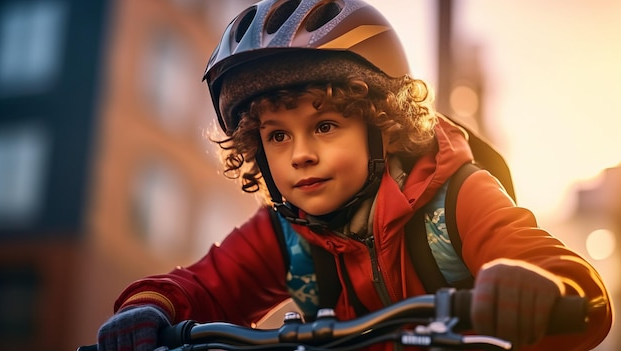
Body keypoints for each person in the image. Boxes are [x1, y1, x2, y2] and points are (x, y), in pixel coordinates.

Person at [96, 0, 613, 350]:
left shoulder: (458, 199)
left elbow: (577, 291)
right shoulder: (285, 232)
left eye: (324, 125)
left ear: (382, 125)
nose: (300, 155)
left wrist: (536, 288)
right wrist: (145, 309)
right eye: (277, 136)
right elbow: (199, 287)